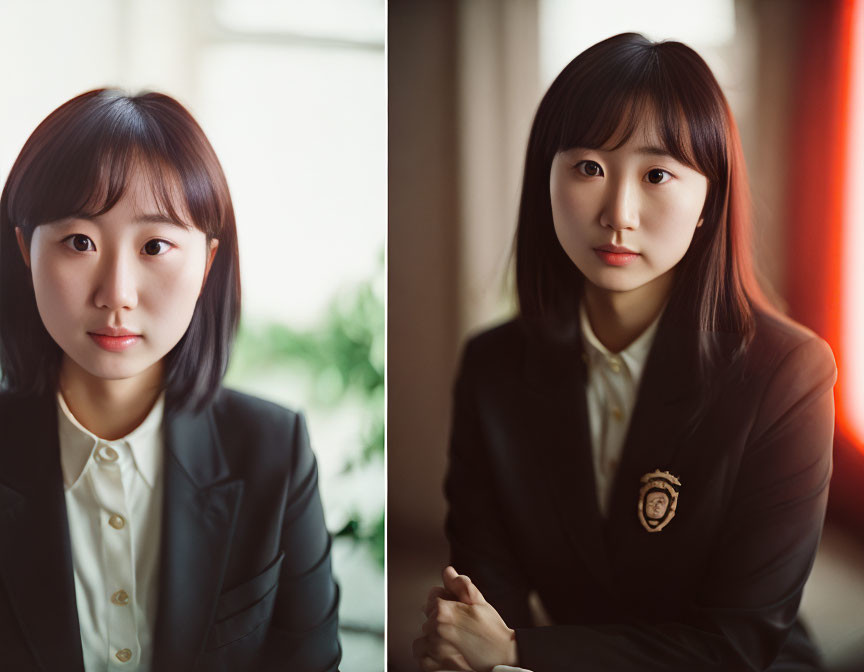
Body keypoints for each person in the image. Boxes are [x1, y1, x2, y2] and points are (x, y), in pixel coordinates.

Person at [413, 33, 836, 672]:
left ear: (707, 202)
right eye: (589, 167)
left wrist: (519, 650)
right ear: (544, 180)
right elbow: (482, 607)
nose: (619, 212)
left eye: (658, 173)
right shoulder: (493, 368)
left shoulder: (788, 374)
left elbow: (736, 645)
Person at [0, 89, 341, 671]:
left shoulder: (273, 451)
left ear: (207, 263)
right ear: (26, 252)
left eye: (155, 245)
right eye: (79, 242)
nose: (117, 294)